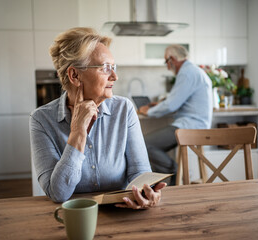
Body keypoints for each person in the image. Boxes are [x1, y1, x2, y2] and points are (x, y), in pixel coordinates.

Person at [29, 27, 166, 209]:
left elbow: (140, 173)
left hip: (122, 215)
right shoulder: (41, 120)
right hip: (72, 218)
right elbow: (58, 193)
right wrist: (78, 132)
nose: (115, 76)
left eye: (114, 67)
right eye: (106, 68)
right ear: (75, 75)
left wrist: (145, 192)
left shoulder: (124, 109)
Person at [139, 44, 213, 184]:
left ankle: (175, 175)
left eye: (166, 62)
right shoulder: (193, 71)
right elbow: (177, 100)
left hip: (189, 127)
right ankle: (173, 177)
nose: (167, 66)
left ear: (172, 59)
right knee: (150, 144)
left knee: (143, 144)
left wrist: (148, 111)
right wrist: (161, 104)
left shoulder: (186, 73)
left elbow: (172, 105)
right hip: (194, 125)